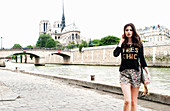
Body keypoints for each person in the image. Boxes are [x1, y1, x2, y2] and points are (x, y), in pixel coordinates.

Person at [113, 23, 151, 111]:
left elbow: (142, 60)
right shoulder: (122, 44)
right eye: (127, 30)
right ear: (124, 32)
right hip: (124, 73)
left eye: (130, 30)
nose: (129, 32)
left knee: (133, 102)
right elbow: (115, 54)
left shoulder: (139, 44)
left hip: (136, 73)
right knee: (127, 101)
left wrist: (148, 73)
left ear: (133, 31)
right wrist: (120, 43)